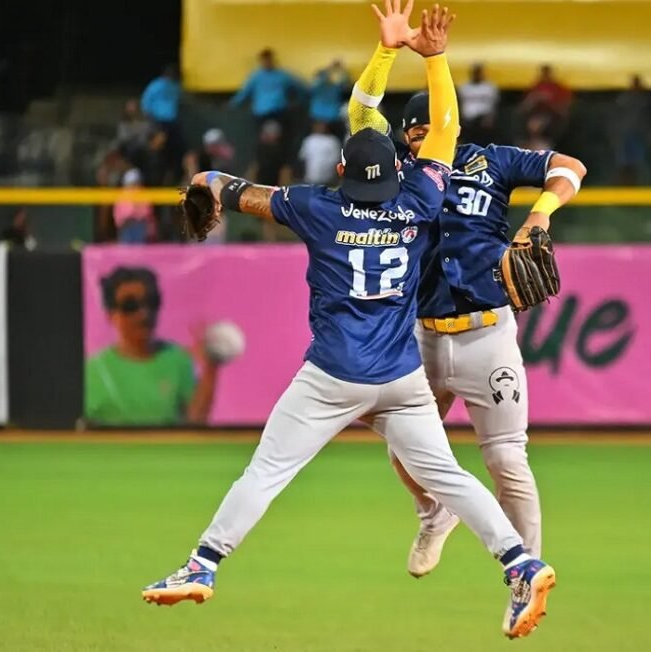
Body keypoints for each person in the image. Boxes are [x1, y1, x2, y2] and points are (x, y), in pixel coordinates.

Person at [142, 6, 556, 639]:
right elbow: (443, 128)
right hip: (401, 374)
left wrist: (203, 181)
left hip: (334, 376)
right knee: (450, 475)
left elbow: (235, 189)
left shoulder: (317, 208)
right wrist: (434, 57)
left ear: (341, 171)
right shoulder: (421, 198)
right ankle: (521, 562)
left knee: (267, 471)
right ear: (396, 170)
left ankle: (201, 565)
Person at [347, 0, 586, 594]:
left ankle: (527, 572)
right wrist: (385, 51)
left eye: (432, 125)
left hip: (486, 334)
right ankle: (435, 513)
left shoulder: (490, 161)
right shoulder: (396, 173)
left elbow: (570, 166)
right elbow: (360, 113)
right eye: (413, 129)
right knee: (402, 446)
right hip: (421, 335)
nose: (423, 134)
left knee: (507, 461)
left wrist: (538, 217)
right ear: (405, 137)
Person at [85, 267, 226, 426]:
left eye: (151, 302)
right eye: (130, 306)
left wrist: (211, 367)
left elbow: (195, 422)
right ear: (111, 315)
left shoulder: (177, 360)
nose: (143, 313)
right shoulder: (93, 371)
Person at [458, 63, 499, 145]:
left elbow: (494, 104)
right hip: (468, 120)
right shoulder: (464, 87)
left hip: (483, 119)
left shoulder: (489, 87)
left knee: (483, 142)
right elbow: (460, 103)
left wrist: (490, 118)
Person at [310, 59, 350, 136]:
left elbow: (346, 90)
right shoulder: (321, 78)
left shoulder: (341, 80)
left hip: (332, 116)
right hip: (320, 115)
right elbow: (312, 88)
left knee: (331, 140)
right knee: (315, 140)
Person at [298, 120, 342, 185]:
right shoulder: (309, 140)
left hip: (328, 181)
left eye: (322, 125)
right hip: (309, 180)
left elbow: (337, 161)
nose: (320, 127)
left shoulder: (333, 141)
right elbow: (303, 159)